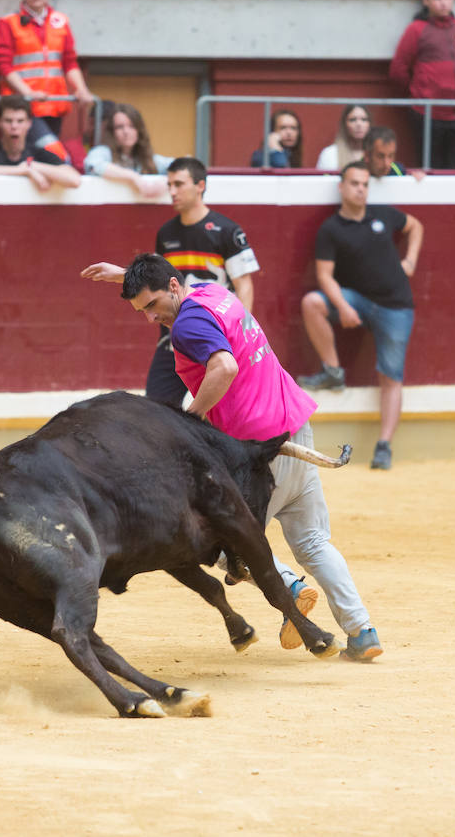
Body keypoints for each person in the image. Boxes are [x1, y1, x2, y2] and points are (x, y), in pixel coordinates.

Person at [86, 251, 383, 663]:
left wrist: (190, 420)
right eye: (141, 310)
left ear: (173, 288)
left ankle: (291, 590)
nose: (150, 318)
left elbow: (223, 367)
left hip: (257, 452)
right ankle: (363, 631)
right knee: (314, 541)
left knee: (223, 538)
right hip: (295, 426)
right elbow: (166, 280)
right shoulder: (212, 292)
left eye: (152, 306)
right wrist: (126, 275)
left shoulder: (187, 324)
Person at [82, 156, 260, 406]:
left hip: (217, 335)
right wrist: (122, 274)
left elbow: (245, 286)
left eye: (179, 184)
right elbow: (158, 282)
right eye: (169, 185)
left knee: (225, 409)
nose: (172, 191)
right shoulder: (166, 234)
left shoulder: (227, 231)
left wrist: (236, 335)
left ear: (200, 186)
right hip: (174, 337)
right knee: (156, 409)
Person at [297, 161, 424, 471]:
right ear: (341, 187)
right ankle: (333, 371)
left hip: (396, 305)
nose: (361, 189)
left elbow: (416, 226)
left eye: (365, 184)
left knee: (391, 376)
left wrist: (410, 260)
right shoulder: (331, 228)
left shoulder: (383, 213)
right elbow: (324, 277)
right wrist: (343, 306)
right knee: (313, 302)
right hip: (357, 300)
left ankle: (383, 446)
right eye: (354, 183)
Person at [390, 0, 455, 170]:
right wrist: (418, 93)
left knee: (452, 168)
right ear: (426, 0)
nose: (443, 3)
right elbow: (399, 69)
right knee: (428, 168)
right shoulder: (416, 30)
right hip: (428, 113)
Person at [0, 0, 94, 136]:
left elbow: (69, 62)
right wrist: (28, 93)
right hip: (21, 106)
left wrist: (81, 89)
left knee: (47, 157)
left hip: (53, 103)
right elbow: (3, 65)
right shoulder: (8, 22)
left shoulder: (60, 21)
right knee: (52, 152)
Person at [0, 96, 81, 190]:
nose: (14, 126)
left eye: (20, 121)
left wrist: (32, 166)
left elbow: (74, 179)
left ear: (29, 123)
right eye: (8, 121)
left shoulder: (39, 154)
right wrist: (24, 171)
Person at [84, 103, 172, 198]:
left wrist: (166, 182)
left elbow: (180, 166)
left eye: (132, 126)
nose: (126, 131)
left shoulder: (147, 159)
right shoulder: (103, 151)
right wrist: (133, 177)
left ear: (139, 130)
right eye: (119, 127)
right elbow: (93, 165)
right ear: (112, 132)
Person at [316, 105, 372, 171]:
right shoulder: (330, 153)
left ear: (370, 124)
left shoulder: (377, 154)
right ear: (344, 124)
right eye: (352, 120)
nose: (359, 124)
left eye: (364, 119)